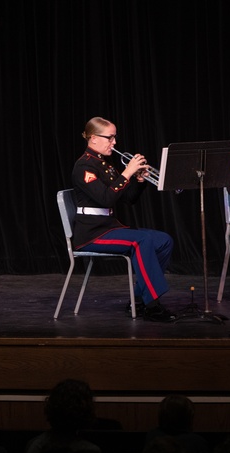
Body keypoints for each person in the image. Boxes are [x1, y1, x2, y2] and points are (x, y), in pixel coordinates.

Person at [71, 117, 176, 322]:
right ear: (93, 139)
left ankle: (139, 300)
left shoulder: (104, 164)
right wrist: (127, 172)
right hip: (92, 233)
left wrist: (139, 180)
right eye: (109, 137)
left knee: (164, 240)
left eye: (114, 137)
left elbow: (128, 199)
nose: (114, 142)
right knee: (141, 241)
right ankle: (152, 304)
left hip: (108, 226)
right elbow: (106, 198)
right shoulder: (84, 166)